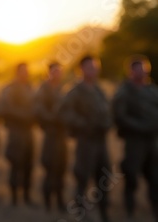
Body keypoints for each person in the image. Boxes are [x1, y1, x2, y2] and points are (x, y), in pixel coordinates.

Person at [60, 55, 112, 222]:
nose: (93, 70)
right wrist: (83, 123)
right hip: (86, 141)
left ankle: (104, 212)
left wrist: (107, 122)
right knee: (83, 177)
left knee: (104, 177)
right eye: (90, 67)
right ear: (81, 69)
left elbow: (107, 110)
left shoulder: (98, 89)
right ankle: (80, 213)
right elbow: (64, 112)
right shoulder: (75, 91)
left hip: (101, 141)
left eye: (96, 66)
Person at [112, 55, 158, 221]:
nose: (143, 72)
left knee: (154, 176)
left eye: (145, 68)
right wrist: (141, 126)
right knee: (131, 175)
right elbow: (120, 116)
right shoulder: (124, 91)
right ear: (131, 71)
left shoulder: (152, 89)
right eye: (139, 69)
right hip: (134, 142)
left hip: (152, 141)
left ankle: (154, 208)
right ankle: (129, 210)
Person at [0, 62, 35, 206]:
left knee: (28, 165)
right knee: (16, 164)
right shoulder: (10, 89)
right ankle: (14, 197)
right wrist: (25, 115)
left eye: (26, 71)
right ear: (17, 72)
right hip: (16, 132)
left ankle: (26, 195)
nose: (25, 73)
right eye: (22, 71)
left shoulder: (29, 87)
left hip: (28, 133)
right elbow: (5, 109)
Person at [34, 62, 67, 212]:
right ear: (49, 73)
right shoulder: (44, 89)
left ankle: (60, 200)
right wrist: (54, 117)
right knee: (50, 168)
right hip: (51, 136)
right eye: (54, 71)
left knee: (61, 169)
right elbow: (40, 110)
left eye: (59, 72)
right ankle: (48, 202)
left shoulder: (62, 89)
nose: (57, 74)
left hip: (62, 136)